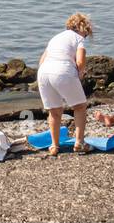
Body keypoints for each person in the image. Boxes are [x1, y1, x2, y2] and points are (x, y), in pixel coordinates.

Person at [37, 13, 91, 156]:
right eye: (86, 33)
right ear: (83, 28)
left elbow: (42, 60)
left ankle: (54, 146)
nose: (86, 36)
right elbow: (80, 61)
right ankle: (79, 143)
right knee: (80, 106)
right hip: (63, 70)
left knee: (54, 111)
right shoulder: (79, 38)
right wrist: (79, 74)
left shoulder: (56, 38)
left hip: (43, 72)